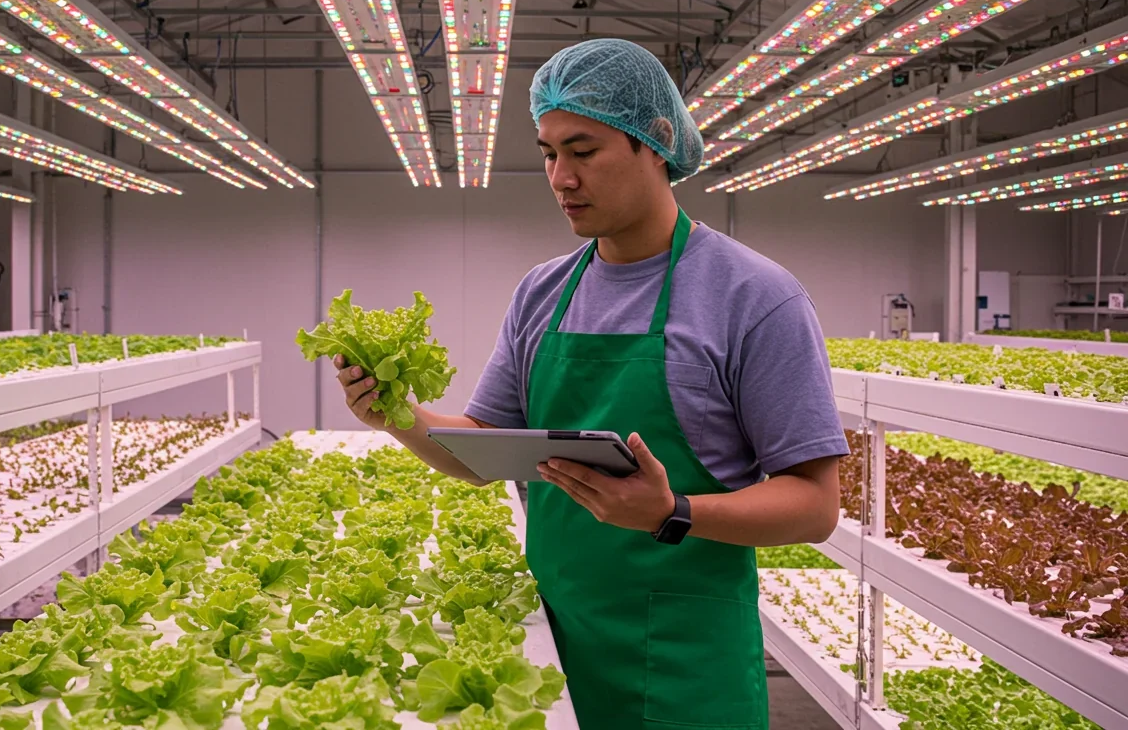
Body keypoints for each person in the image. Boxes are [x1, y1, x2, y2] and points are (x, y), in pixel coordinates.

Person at [332, 38, 848, 730]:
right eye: (548, 153)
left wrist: (675, 512)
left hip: (686, 671)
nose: (560, 178)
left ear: (655, 143)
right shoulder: (543, 293)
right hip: (552, 646)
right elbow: (484, 451)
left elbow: (815, 505)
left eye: (583, 151)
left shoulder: (755, 297)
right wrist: (394, 413)